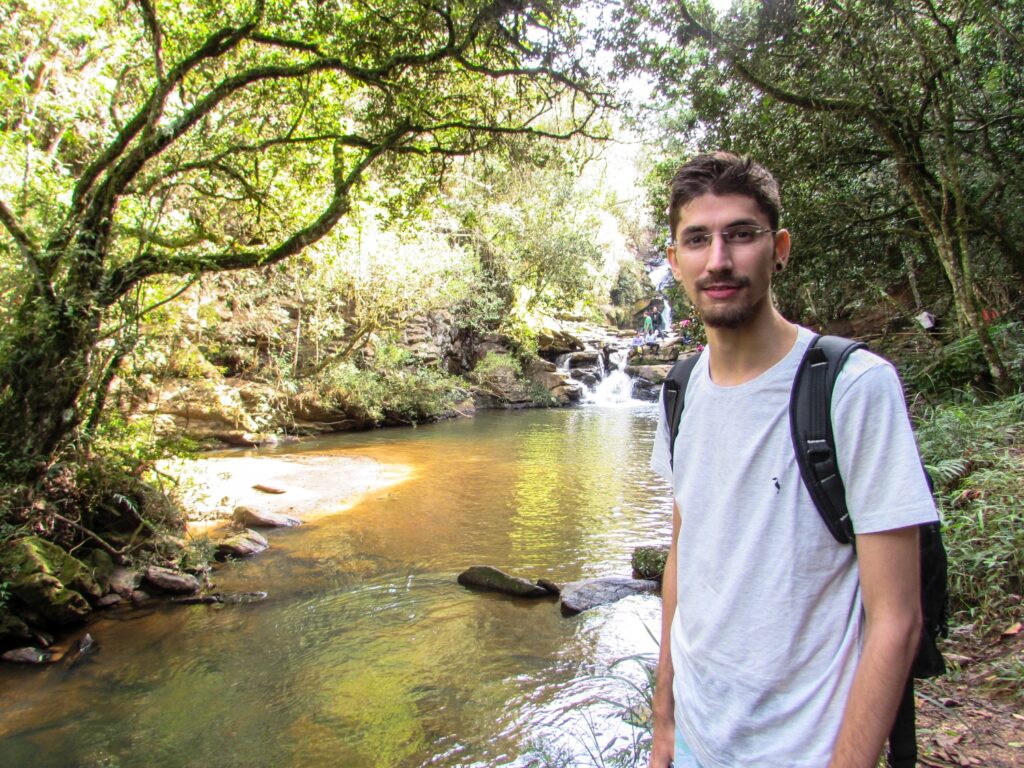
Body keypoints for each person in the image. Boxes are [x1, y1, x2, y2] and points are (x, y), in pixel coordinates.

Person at [648, 152, 937, 768]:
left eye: (741, 235)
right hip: (697, 741)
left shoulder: (854, 387)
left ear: (778, 248)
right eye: (697, 239)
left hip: (806, 750)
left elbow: (897, 618)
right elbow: (683, 559)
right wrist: (663, 720)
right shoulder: (678, 391)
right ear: (675, 262)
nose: (718, 260)